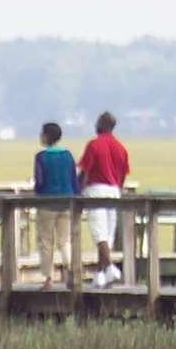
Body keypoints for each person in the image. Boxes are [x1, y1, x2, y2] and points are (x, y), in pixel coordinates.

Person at [77, 109, 132, 284]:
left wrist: (78, 190)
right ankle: (101, 276)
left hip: (96, 190)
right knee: (108, 233)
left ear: (101, 125)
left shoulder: (94, 145)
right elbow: (123, 175)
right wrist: (119, 189)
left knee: (99, 232)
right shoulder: (121, 148)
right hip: (114, 190)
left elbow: (85, 171)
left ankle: (109, 267)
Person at [29, 120, 81, 282]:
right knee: (64, 240)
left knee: (45, 241)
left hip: (46, 204)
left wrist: (36, 192)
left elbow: (40, 182)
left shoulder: (41, 157)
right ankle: (71, 270)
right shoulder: (68, 155)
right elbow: (74, 181)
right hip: (66, 202)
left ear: (45, 136)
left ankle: (48, 278)